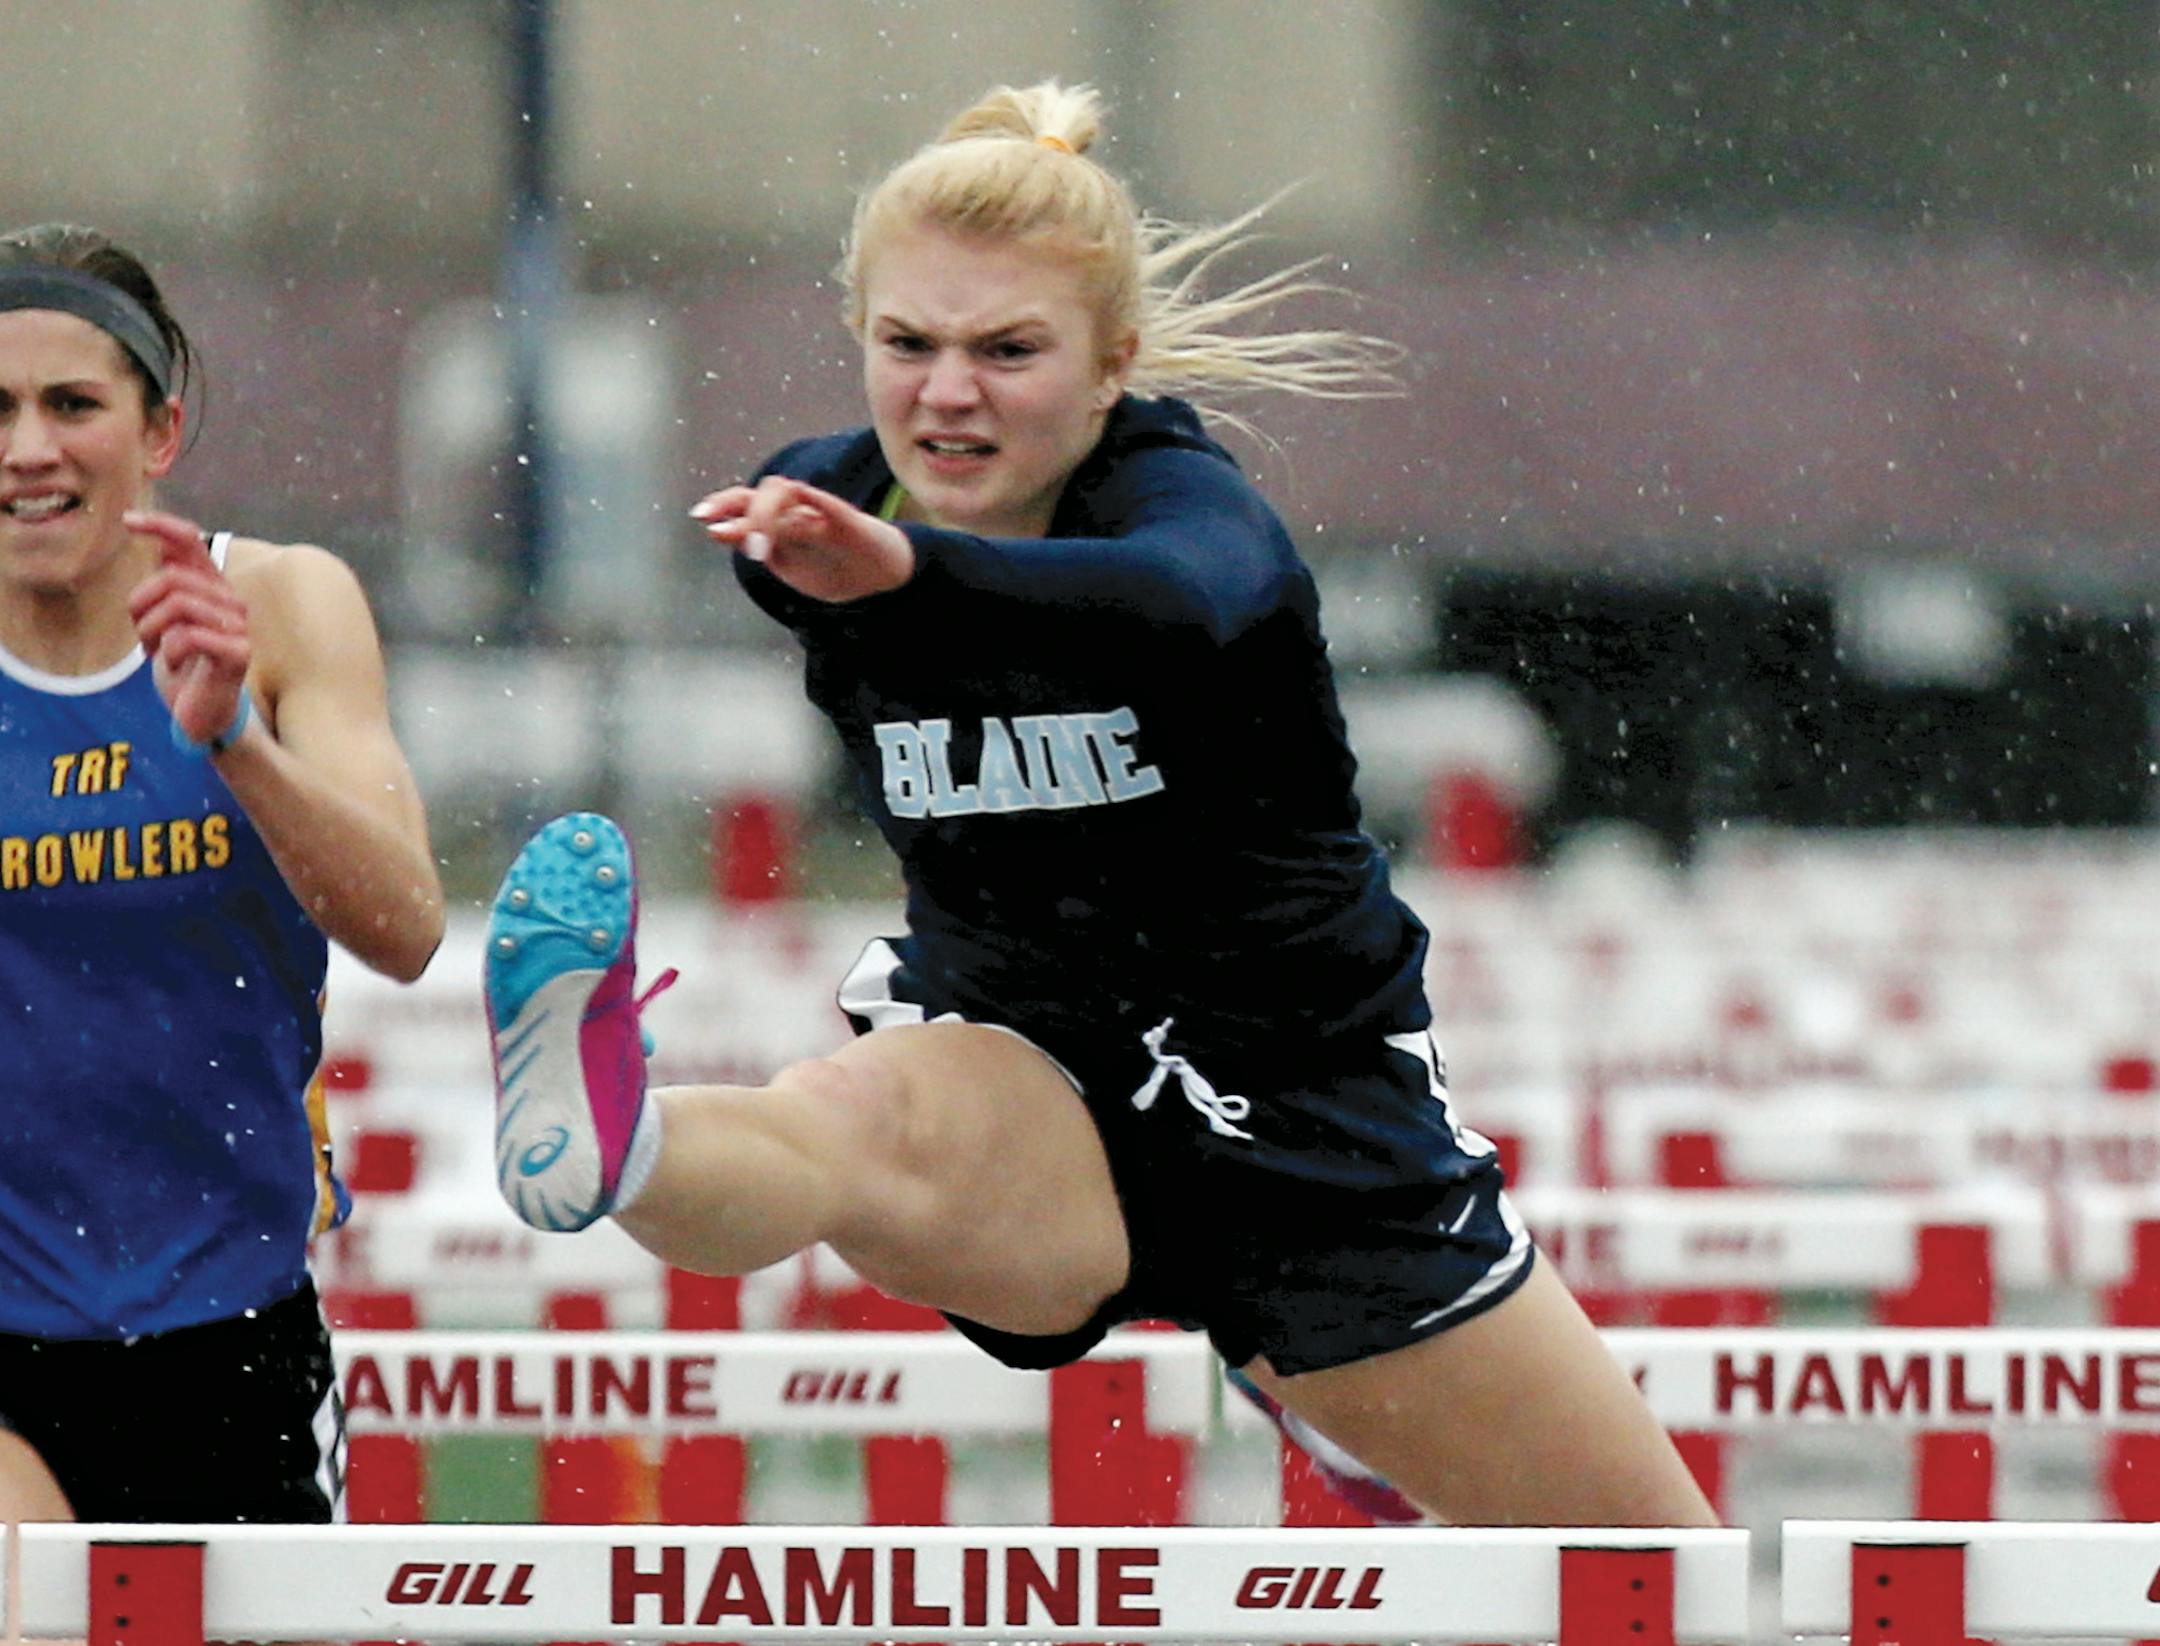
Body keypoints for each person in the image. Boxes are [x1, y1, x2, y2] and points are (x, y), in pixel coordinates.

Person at [485, 82, 1716, 1527]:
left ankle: (1332, 1399)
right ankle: (608, 1128)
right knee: (841, 1135)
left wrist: (914, 577)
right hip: (1032, 1061)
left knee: (1658, 1580)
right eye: (908, 346)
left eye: (1009, 352)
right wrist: (855, 558)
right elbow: (782, 526)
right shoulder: (815, 506)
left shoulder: (1186, 511)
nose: (949, 393)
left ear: (1111, 362)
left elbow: (1178, 603)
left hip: (1306, 1113)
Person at [0, 223, 444, 1532]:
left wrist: (236, 743)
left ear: (159, 435)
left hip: (230, 1322)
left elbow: (407, 925)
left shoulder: (286, 603)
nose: (28, 448)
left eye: (71, 404)